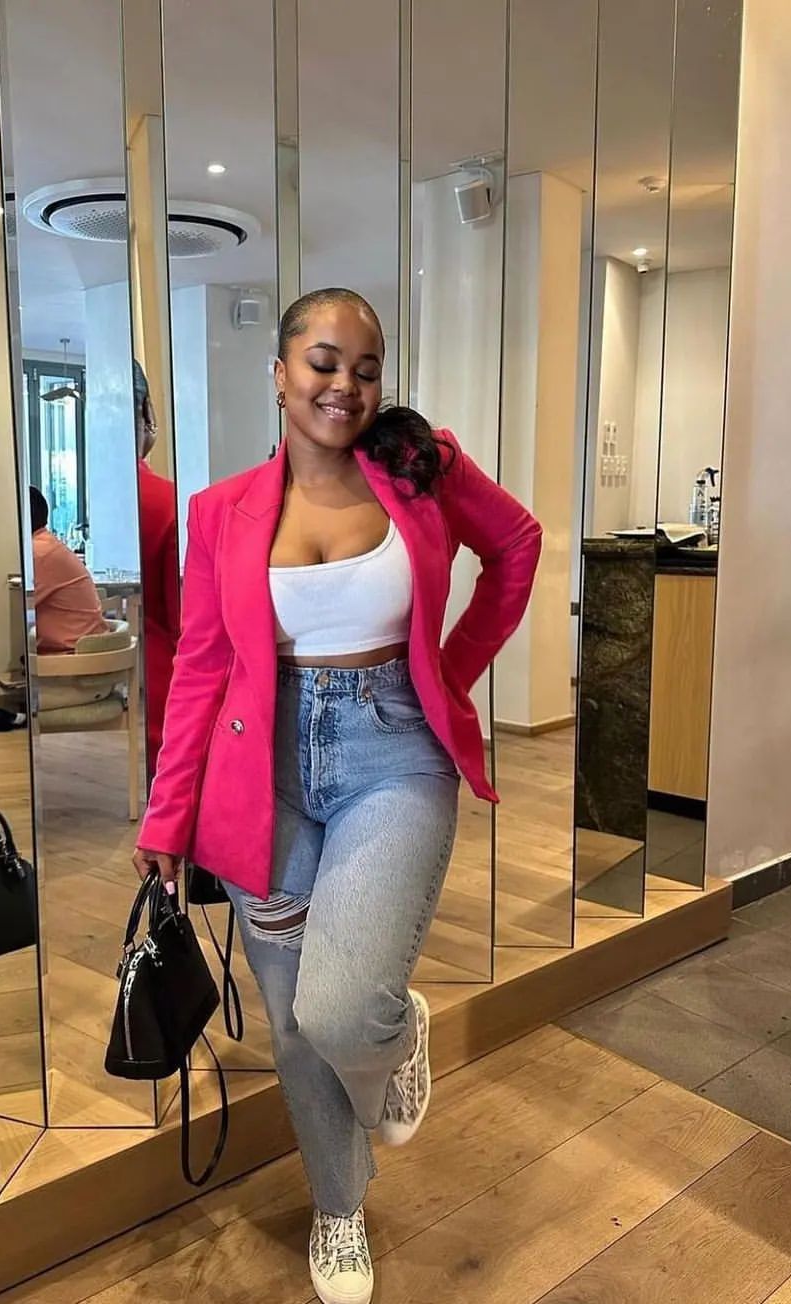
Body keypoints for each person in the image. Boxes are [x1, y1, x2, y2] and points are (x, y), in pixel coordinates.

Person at [133, 288, 541, 1304]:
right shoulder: (219, 511)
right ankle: (338, 1206)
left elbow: (516, 545)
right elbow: (198, 668)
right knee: (289, 1024)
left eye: (364, 369)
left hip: (391, 753)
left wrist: (448, 672)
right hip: (259, 774)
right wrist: (166, 815)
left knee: (342, 1007)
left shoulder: (422, 467)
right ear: (278, 374)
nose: (344, 386)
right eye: (322, 363)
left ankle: (395, 1033)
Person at [132, 359, 181, 776]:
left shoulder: (82, 502)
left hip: (104, 682)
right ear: (147, 410)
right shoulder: (167, 501)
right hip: (159, 687)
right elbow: (181, 620)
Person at [29, 486, 108, 654]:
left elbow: (12, 608)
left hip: (71, 655)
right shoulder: (45, 544)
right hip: (84, 648)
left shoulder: (37, 553)